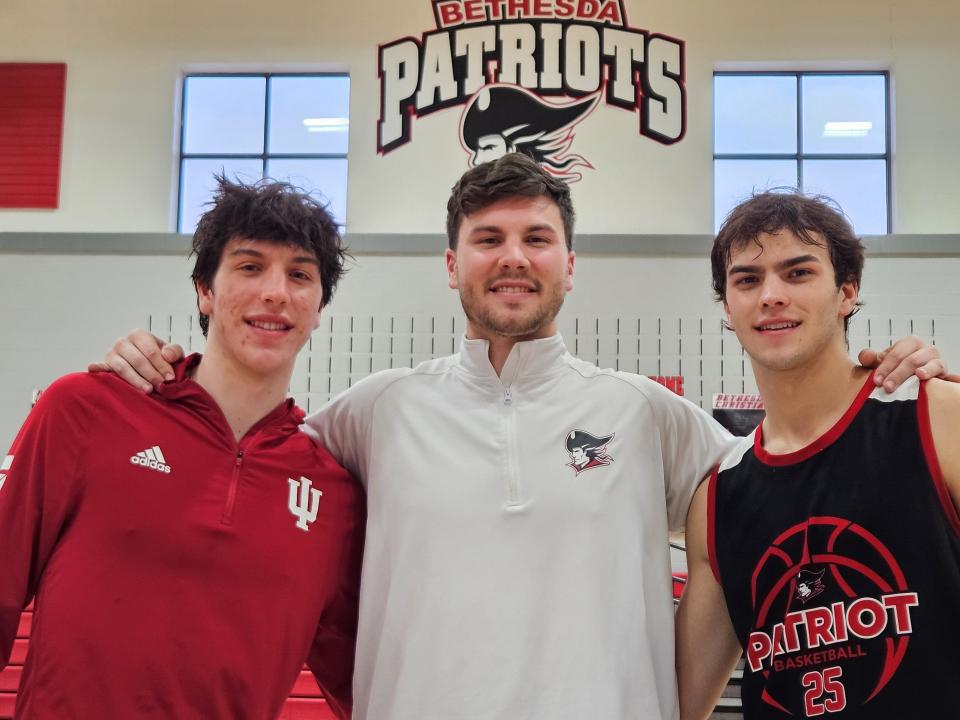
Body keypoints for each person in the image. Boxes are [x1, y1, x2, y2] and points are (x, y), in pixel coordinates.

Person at [97, 155, 946, 720]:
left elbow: (803, 461)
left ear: (569, 264)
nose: (514, 258)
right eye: (488, 240)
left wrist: (893, 377)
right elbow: (237, 453)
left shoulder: (649, 415)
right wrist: (161, 372)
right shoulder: (373, 412)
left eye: (537, 239)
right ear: (450, 262)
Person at [0, 178, 364, 719]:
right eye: (249, 266)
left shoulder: (333, 491)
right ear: (204, 291)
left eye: (300, 275)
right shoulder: (83, 410)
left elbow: (363, 681)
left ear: (318, 308)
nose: (275, 292)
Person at [676, 192, 960, 719]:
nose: (771, 295)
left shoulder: (936, 415)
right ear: (727, 311)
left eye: (798, 273)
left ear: (846, 292)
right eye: (747, 280)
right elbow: (680, 704)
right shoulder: (715, 499)